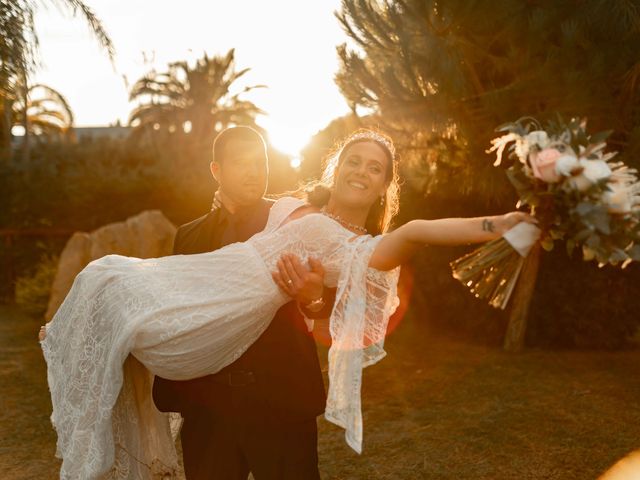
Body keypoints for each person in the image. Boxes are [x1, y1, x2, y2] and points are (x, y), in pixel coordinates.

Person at [40, 128, 536, 480]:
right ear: (335, 168)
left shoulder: (361, 253)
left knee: (108, 283)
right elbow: (198, 262)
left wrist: (501, 224)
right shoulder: (284, 207)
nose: (362, 171)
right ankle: (73, 345)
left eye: (376, 168)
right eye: (354, 161)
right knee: (106, 280)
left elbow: (416, 235)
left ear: (386, 185)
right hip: (207, 371)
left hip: (278, 400)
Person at [152, 126, 333, 479]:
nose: (255, 171)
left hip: (281, 401)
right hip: (209, 408)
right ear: (216, 171)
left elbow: (326, 296)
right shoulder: (188, 236)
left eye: (260, 162)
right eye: (241, 163)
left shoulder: (291, 222)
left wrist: (314, 300)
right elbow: (173, 310)